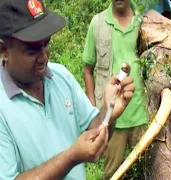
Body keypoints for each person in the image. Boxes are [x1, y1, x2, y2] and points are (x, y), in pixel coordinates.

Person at [0, 0, 135, 179]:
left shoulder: (60, 77)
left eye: (46, 43)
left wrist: (109, 112)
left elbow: (94, 131)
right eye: (32, 50)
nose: (44, 57)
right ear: (4, 50)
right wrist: (71, 157)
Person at [82, 0, 148, 178]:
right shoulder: (98, 23)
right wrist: (93, 105)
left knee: (145, 170)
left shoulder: (144, 23)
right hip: (112, 118)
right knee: (113, 173)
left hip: (141, 114)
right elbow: (88, 70)